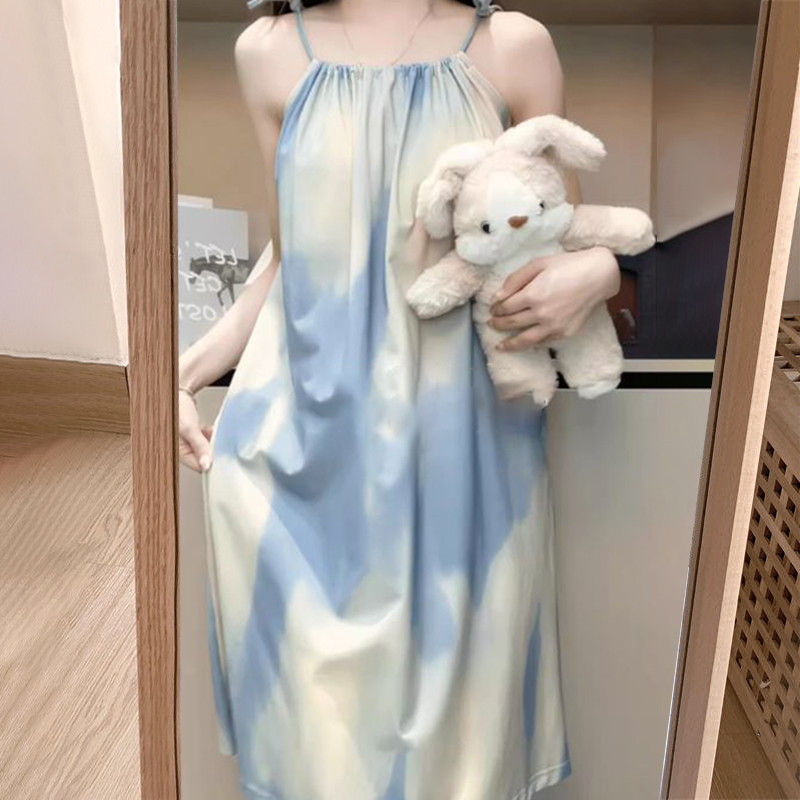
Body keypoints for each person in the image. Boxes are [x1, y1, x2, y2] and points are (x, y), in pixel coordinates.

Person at [178, 2, 621, 798]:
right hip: (302, 466)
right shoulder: (265, 52)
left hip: (465, 468)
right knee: (320, 759)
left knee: (461, 762)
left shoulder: (514, 47)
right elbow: (291, 255)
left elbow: (559, 228)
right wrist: (180, 375)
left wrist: (605, 271)